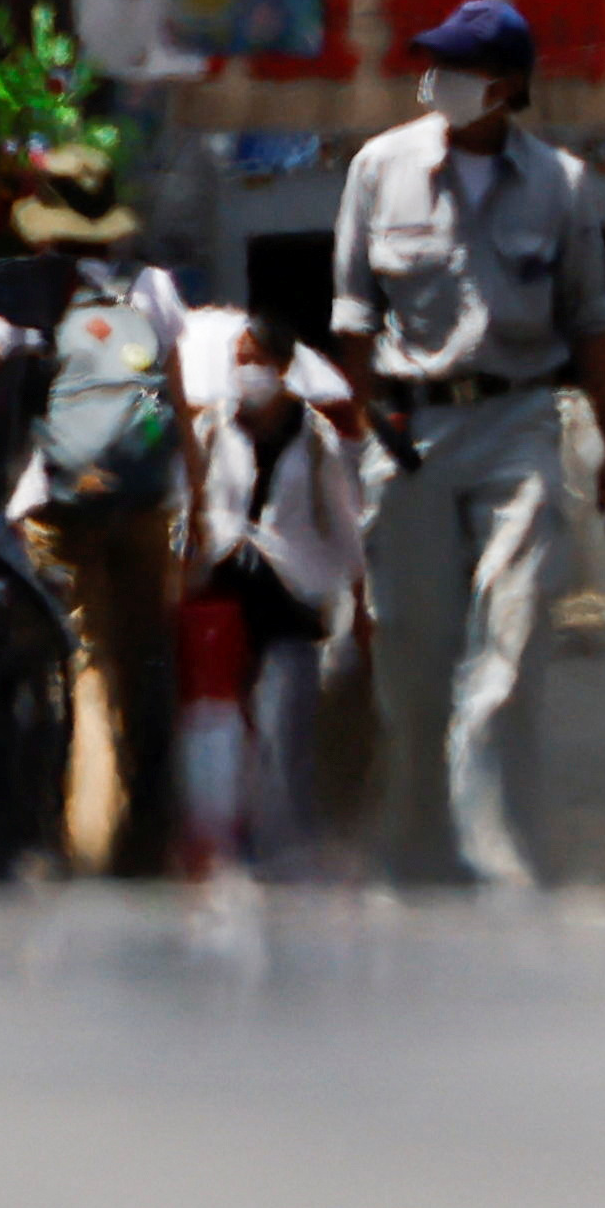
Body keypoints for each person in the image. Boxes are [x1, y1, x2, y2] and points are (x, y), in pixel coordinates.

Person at [329, 0, 605, 889]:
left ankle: (495, 839)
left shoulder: (562, 183)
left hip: (517, 419)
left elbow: (593, 319)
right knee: (415, 662)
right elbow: (353, 316)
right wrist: (352, 444)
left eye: (458, 70)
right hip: (409, 426)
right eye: (433, 65)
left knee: (513, 631)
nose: (438, 82)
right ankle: (422, 841)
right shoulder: (376, 169)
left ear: (502, 88)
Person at [0, 142, 193, 877]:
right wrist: (193, 499)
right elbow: (181, 401)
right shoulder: (155, 289)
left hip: (60, 507)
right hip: (145, 503)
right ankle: (153, 830)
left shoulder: (26, 295)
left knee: (84, 663)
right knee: (145, 661)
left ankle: (87, 834)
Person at [177, 302, 363, 874]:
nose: (244, 372)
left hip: (292, 593)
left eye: (254, 360)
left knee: (286, 725)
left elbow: (347, 523)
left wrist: (360, 600)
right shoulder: (211, 428)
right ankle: (234, 845)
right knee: (221, 728)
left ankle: (291, 848)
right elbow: (190, 510)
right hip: (226, 587)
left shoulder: (315, 439)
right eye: (238, 361)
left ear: (282, 366)